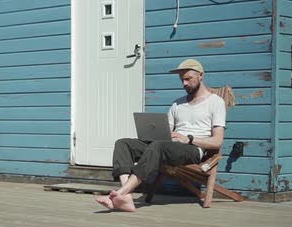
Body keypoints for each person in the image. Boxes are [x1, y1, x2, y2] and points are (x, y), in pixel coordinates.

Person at [96, 59, 226, 212]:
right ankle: (127, 198)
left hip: (192, 149)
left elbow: (217, 141)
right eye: (182, 80)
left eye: (188, 79)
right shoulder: (177, 104)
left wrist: (189, 139)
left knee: (159, 146)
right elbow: (166, 131)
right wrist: (156, 133)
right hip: (168, 146)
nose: (184, 83)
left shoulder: (215, 102)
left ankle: (120, 194)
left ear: (201, 75)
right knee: (123, 144)